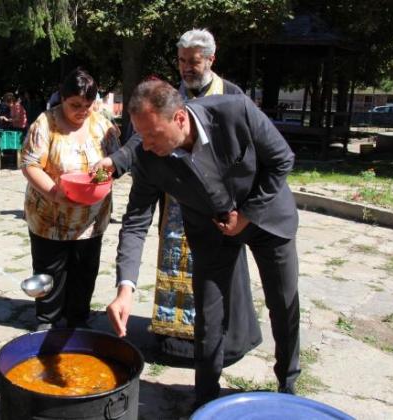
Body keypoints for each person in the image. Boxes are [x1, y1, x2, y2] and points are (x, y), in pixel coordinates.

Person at [107, 80, 300, 408]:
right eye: (141, 135)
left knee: (283, 304)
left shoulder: (235, 112)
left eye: (153, 134)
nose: (147, 145)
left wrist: (246, 216)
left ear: (180, 119)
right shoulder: (148, 157)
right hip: (210, 231)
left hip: (266, 217)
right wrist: (125, 288)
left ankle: (288, 383)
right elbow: (136, 222)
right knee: (208, 317)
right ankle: (205, 400)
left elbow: (282, 159)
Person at [95, 28, 260, 367]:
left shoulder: (231, 95)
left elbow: (250, 153)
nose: (187, 68)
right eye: (182, 61)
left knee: (220, 272)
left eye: (194, 62)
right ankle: (174, 340)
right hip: (176, 204)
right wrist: (116, 162)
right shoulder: (166, 98)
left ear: (210, 60)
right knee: (176, 268)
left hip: (219, 203)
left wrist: (241, 205)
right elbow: (143, 143)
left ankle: (224, 342)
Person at [21, 68, 121, 331]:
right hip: (50, 218)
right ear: (62, 98)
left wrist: (96, 179)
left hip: (91, 219)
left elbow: (117, 161)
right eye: (75, 105)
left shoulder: (101, 124)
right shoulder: (45, 124)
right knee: (50, 273)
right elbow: (30, 165)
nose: (82, 111)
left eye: (87, 105)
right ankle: (48, 321)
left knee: (84, 272)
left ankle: (78, 319)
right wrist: (56, 193)